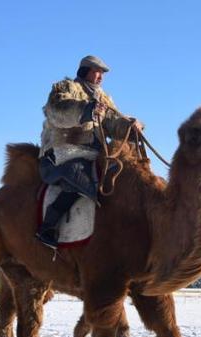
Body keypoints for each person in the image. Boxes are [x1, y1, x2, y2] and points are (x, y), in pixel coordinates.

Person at [36, 55, 144, 249]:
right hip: (62, 153)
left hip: (94, 155)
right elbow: (57, 111)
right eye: (97, 71)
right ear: (85, 71)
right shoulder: (66, 88)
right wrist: (86, 110)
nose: (100, 77)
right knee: (83, 180)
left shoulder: (104, 99)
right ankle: (47, 228)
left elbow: (112, 123)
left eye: (102, 73)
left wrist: (130, 126)